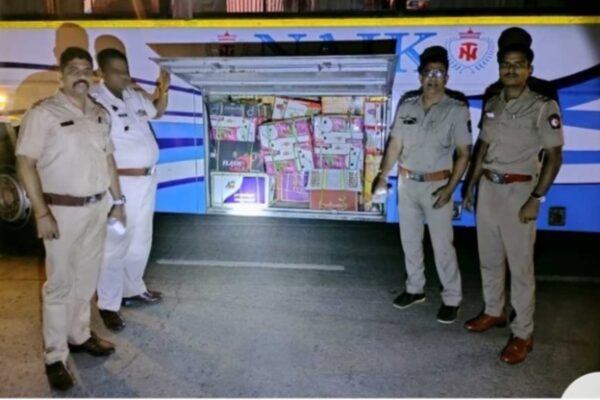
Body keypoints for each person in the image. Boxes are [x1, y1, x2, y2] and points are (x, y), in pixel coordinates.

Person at [15, 47, 126, 391]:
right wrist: (41, 213)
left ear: (93, 76)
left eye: (86, 69)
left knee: (86, 279)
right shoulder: (43, 113)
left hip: (96, 208)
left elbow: (108, 161)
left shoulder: (99, 113)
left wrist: (118, 201)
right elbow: (25, 163)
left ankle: (79, 335)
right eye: (74, 69)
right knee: (60, 284)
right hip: (60, 212)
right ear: (60, 75)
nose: (81, 75)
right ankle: (55, 356)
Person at [462, 36, 564, 364]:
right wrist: (470, 185)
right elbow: (483, 147)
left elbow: (554, 156)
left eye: (518, 65)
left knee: (520, 267)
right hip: (489, 188)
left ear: (529, 69)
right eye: (506, 64)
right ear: (499, 68)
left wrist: (537, 198)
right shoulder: (493, 102)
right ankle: (494, 311)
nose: (511, 70)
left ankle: (523, 333)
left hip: (520, 191)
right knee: (489, 258)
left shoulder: (543, 106)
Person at [374, 46, 472, 324]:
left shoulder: (456, 109)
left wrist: (450, 189)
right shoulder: (407, 106)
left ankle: (452, 298)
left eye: (439, 73)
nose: (433, 78)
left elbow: (464, 153)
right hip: (407, 184)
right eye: (428, 73)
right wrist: (382, 175)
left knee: (443, 246)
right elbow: (395, 144)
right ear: (420, 77)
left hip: (437, 186)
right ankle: (414, 289)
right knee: (409, 241)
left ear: (447, 78)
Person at [90, 48, 170, 331]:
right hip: (121, 184)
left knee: (141, 239)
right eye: (117, 72)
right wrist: (113, 195)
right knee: (115, 245)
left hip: (147, 180)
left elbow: (157, 111)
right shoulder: (96, 102)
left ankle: (133, 289)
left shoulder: (133, 95)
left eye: (126, 71)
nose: (124, 76)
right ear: (101, 73)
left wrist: (163, 88)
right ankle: (108, 305)